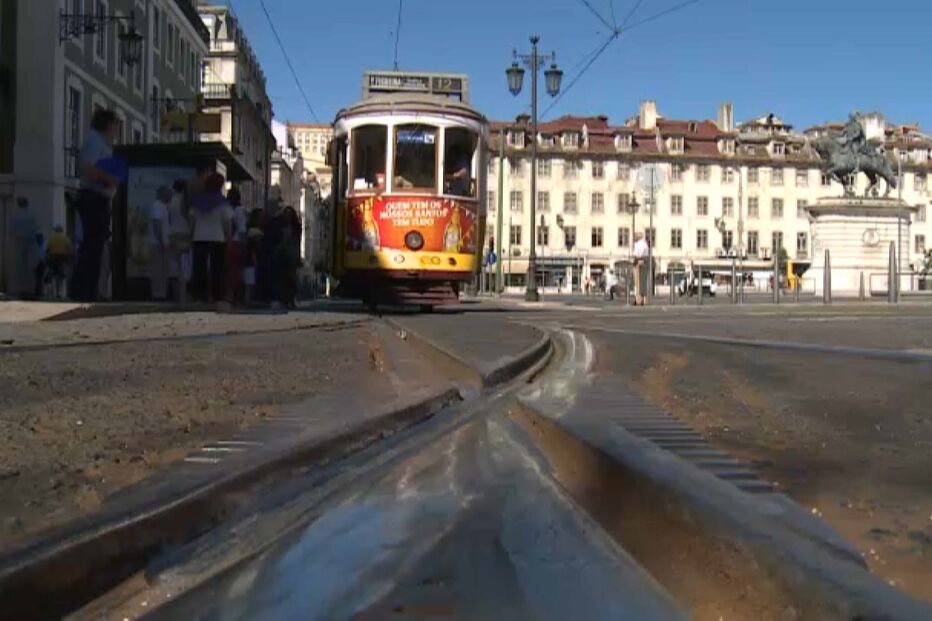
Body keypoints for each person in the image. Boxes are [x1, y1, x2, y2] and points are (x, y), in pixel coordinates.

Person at [72, 109, 121, 302]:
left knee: (96, 247)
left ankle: (88, 291)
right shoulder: (94, 141)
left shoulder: (102, 144)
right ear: (108, 124)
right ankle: (83, 291)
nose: (117, 129)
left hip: (100, 198)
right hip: (94, 197)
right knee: (92, 246)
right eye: (116, 124)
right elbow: (87, 168)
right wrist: (109, 178)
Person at [191, 173, 231, 304]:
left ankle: (199, 296)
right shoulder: (222, 202)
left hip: (199, 237)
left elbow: (192, 219)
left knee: (199, 269)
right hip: (218, 238)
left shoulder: (198, 201)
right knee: (217, 269)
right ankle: (217, 296)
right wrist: (228, 239)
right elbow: (227, 223)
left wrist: (192, 234)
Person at [167, 179, 192, 302]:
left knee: (175, 265)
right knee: (185, 266)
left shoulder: (170, 201)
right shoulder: (184, 201)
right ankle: (183, 294)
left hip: (173, 234)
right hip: (184, 234)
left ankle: (176, 294)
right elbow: (188, 217)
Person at [10, 197, 38, 298]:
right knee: (29, 267)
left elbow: (12, 231)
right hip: (29, 243)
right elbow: (34, 230)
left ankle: (18, 289)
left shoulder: (14, 215)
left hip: (18, 242)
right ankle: (29, 290)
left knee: (18, 267)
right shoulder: (31, 215)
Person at [148, 186, 171, 300]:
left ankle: (162, 293)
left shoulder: (163, 206)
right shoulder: (157, 206)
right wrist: (161, 242)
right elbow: (156, 226)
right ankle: (158, 294)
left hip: (162, 243)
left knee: (163, 270)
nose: (170, 196)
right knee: (158, 270)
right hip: (158, 244)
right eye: (168, 193)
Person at [225, 187, 247, 304]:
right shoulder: (240, 210)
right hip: (236, 242)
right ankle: (232, 296)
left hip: (224, 242)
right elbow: (242, 229)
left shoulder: (225, 209)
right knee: (235, 270)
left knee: (226, 270)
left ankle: (226, 295)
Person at [45, 225, 73, 300]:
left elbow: (47, 249)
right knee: (61, 277)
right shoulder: (65, 238)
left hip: (53, 258)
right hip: (62, 259)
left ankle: (53, 293)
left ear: (55, 230)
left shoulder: (51, 238)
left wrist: (47, 258)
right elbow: (69, 249)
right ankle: (60, 293)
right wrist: (69, 259)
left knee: (53, 276)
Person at [633, 231, 650, 306]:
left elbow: (636, 255)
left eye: (635, 236)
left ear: (638, 237)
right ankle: (644, 299)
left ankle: (638, 300)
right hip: (645, 262)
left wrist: (634, 263)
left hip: (638, 262)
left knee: (637, 283)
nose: (634, 237)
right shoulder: (645, 244)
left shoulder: (637, 244)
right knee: (643, 282)